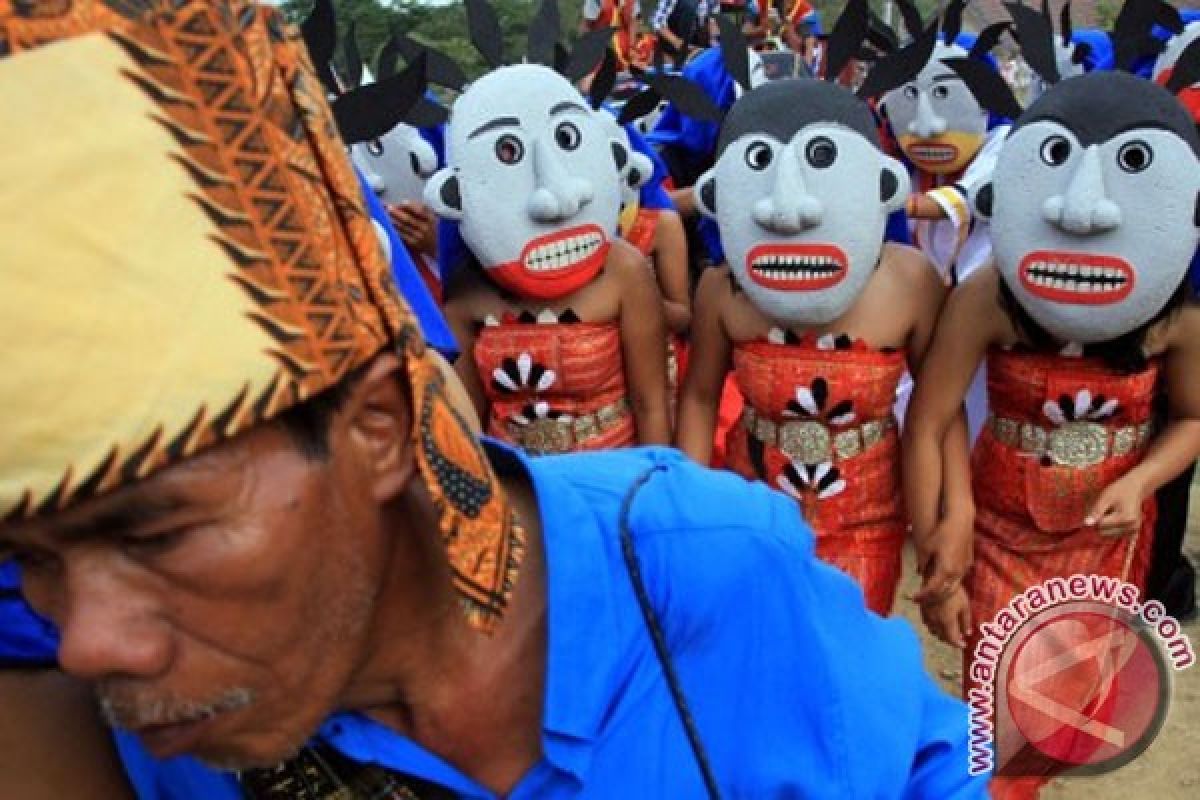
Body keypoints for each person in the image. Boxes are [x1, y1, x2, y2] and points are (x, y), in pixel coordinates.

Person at [0, 2, 991, 798]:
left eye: (160, 530)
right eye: (24, 563)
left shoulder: (709, 565)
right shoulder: (119, 736)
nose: (85, 640)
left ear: (379, 424)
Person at [903, 69, 1200, 797]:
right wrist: (948, 527)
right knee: (1002, 705)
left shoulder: (1176, 317)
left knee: (1063, 711)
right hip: (1000, 530)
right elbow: (931, 413)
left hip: (1107, 542)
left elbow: (1193, 418)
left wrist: (1141, 479)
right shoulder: (989, 296)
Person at [674, 78, 956, 615]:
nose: (790, 207)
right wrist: (694, 510)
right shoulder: (722, 285)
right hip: (751, 508)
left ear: (878, 185)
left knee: (844, 664)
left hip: (867, 520)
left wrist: (945, 517)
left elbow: (938, 411)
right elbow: (698, 397)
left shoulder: (912, 281)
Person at [428, 64, 671, 455]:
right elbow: (468, 422)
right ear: (456, 193)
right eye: (508, 154)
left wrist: (657, 495)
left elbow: (651, 404)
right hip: (521, 489)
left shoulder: (622, 271)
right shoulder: (465, 290)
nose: (551, 198)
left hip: (612, 485)